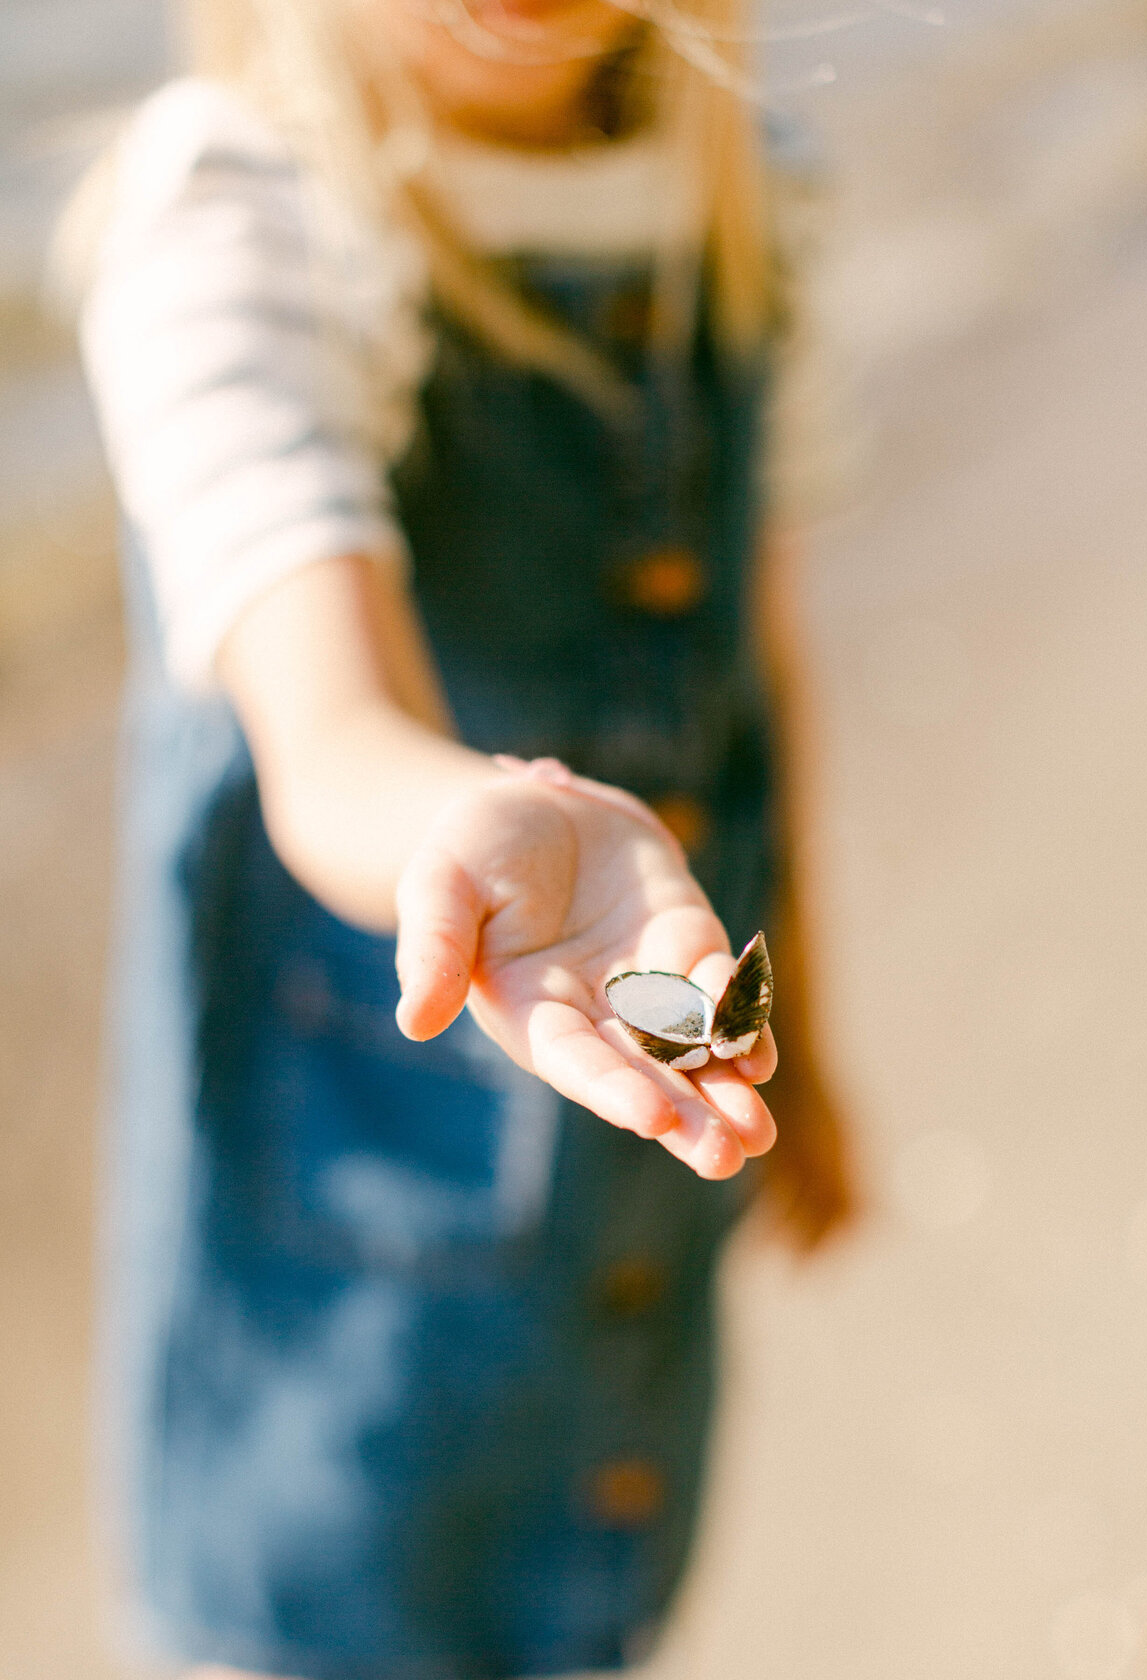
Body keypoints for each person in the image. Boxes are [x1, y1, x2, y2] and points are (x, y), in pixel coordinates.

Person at [74, 0, 855, 1673]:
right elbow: (324, 726)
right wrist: (468, 821)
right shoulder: (241, 224)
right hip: (335, 1338)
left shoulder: (743, 195)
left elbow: (754, 667)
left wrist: (824, 1044)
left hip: (629, 1250)